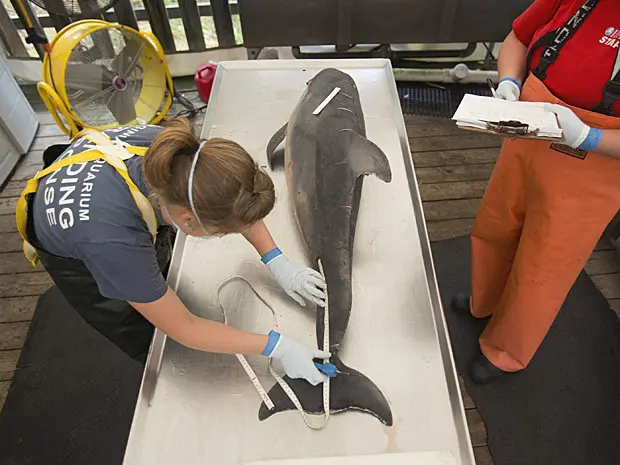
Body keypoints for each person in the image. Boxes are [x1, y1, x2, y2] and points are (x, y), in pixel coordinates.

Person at [17, 118, 331, 386]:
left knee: (148, 276)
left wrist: (276, 260)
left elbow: (235, 201)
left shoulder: (178, 155)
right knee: (142, 327)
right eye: (223, 231)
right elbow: (185, 327)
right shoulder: (114, 242)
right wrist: (277, 346)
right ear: (187, 220)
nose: (229, 233)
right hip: (75, 243)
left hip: (97, 180)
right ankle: (152, 367)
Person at [452, 0, 620, 382]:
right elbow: (519, 37)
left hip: (593, 165)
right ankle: (485, 301)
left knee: (546, 261)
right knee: (497, 225)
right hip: (527, 137)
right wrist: (510, 81)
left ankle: (506, 350)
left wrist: (588, 137)